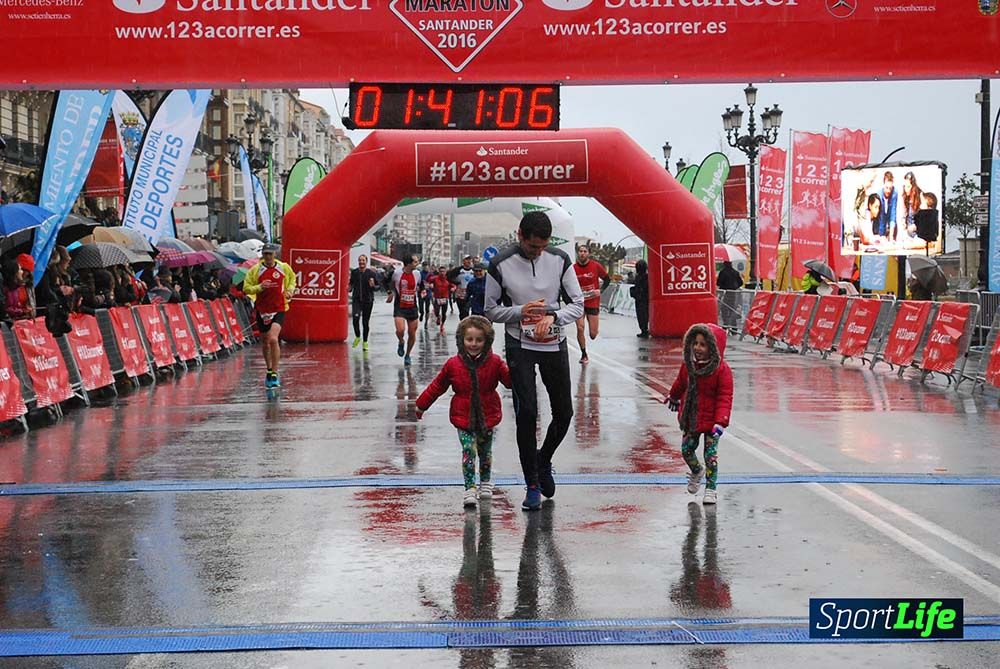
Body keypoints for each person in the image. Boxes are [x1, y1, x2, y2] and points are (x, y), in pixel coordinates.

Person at [484, 211, 584, 511]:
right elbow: (489, 310)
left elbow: (578, 304)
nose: (537, 252)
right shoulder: (499, 264)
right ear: (520, 236)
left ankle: (543, 460)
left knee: (564, 413)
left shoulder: (559, 261)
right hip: (520, 343)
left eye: (542, 247)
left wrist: (553, 316)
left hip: (553, 342)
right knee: (527, 412)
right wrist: (520, 312)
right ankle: (531, 484)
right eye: (532, 247)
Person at [415, 316, 512, 508]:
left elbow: (510, 382)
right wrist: (422, 404)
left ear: (487, 342)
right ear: (462, 340)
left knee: (485, 451)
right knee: (469, 450)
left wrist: (518, 368)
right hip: (463, 416)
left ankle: (485, 482)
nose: (474, 344)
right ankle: (470, 487)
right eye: (469, 339)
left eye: (479, 340)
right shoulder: (453, 364)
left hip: (488, 414)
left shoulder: (495, 362)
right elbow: (437, 386)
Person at [664, 323, 733, 505]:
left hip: (712, 422)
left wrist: (721, 421)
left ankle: (711, 488)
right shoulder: (688, 365)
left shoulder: (722, 370)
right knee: (687, 450)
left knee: (710, 456)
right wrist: (673, 396)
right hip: (692, 417)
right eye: (695, 343)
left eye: (703, 344)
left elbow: (725, 397)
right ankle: (696, 471)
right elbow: (680, 383)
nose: (698, 348)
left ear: (713, 347)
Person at [243, 243, 297, 388]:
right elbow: (246, 287)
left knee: (273, 339)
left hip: (279, 308)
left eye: (270, 254)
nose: (267, 257)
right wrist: (259, 287)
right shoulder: (255, 270)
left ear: (275, 254)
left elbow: (292, 280)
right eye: (265, 254)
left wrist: (290, 291)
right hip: (262, 310)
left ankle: (274, 373)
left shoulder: (283, 267)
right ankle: (268, 369)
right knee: (265, 342)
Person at [572, 243, 610, 364]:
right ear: (578, 253)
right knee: (580, 327)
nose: (582, 253)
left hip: (592, 301)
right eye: (580, 251)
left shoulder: (595, 266)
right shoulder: (573, 268)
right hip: (579, 302)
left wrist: (601, 290)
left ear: (588, 254)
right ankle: (584, 354)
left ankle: (594, 331)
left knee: (593, 334)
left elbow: (607, 279)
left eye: (585, 251)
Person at [388, 254, 422, 366]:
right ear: (408, 263)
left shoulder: (417, 274)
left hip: (412, 306)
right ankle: (401, 341)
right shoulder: (396, 273)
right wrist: (391, 293)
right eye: (415, 262)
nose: (417, 264)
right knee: (400, 330)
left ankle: (407, 355)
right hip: (400, 306)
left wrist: (423, 292)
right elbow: (387, 282)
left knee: (412, 333)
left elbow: (421, 286)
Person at [349, 254, 378, 351]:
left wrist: (373, 286)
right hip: (357, 300)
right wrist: (349, 288)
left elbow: (377, 287)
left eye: (363, 260)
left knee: (365, 322)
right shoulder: (355, 272)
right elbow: (351, 283)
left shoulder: (371, 273)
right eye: (360, 260)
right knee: (355, 318)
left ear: (366, 262)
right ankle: (358, 336)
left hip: (368, 301)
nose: (361, 262)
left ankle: (365, 341)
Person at [448, 256, 476, 320]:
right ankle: (463, 324)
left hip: (470, 293)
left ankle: (467, 324)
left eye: (470, 260)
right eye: (467, 259)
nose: (469, 261)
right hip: (460, 293)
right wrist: (456, 282)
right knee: (462, 311)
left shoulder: (473, 270)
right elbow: (448, 276)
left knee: (466, 310)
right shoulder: (458, 270)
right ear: (463, 261)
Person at [428, 265, 453, 335]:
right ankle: (438, 317)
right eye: (441, 271)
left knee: (444, 313)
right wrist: (430, 285)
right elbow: (428, 280)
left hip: (445, 298)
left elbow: (453, 285)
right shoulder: (435, 278)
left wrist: (453, 288)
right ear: (438, 272)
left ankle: (442, 325)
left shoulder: (448, 279)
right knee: (436, 311)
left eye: (443, 271)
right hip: (437, 298)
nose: (442, 273)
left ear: (445, 272)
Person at [630, 259, 649, 338]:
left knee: (641, 315)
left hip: (641, 299)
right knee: (644, 315)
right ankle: (644, 330)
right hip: (643, 298)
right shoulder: (646, 276)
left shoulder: (639, 277)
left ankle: (644, 330)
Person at [877, 171, 899, 239]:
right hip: (880, 224)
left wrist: (891, 236)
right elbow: (881, 217)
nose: (888, 191)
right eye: (887, 188)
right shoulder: (879, 194)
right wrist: (881, 237)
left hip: (891, 224)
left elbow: (893, 213)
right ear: (883, 185)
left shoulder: (894, 193)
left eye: (890, 188)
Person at [418, 260, 433, 326]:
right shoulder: (419, 274)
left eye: (426, 266)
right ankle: (421, 314)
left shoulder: (431, 274)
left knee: (427, 308)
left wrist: (432, 286)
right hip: (421, 293)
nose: (425, 268)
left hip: (428, 293)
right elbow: (417, 282)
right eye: (424, 266)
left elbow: (434, 282)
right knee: (421, 308)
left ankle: (426, 322)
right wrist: (418, 286)